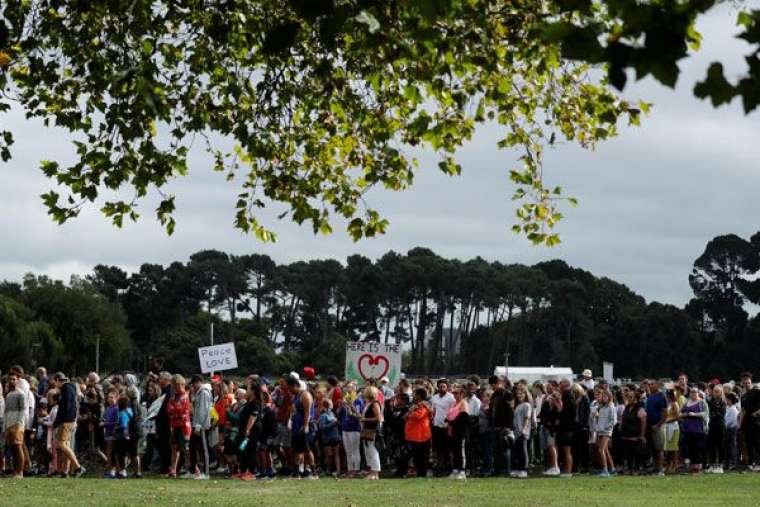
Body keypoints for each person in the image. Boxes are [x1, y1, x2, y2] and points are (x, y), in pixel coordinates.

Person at [50, 372, 85, 478]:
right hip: (69, 420)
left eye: (55, 383)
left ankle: (78, 467)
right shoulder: (70, 388)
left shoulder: (66, 388)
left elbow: (67, 407)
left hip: (66, 421)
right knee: (65, 445)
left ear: (57, 380)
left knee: (61, 444)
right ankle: (64, 471)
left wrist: (59, 421)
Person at [288, 375, 317, 479]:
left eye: (290, 388)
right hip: (296, 427)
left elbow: (307, 413)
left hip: (305, 427)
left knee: (307, 450)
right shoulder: (295, 396)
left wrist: (305, 427)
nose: (289, 390)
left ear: (296, 385)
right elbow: (294, 411)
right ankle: (296, 473)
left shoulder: (305, 395)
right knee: (297, 450)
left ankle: (314, 473)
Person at [4, 370, 29, 478]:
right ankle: (15, 471)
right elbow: (6, 412)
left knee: (18, 447)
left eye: (14, 379)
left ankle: (20, 472)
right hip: (9, 425)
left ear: (17, 380)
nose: (12, 381)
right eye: (10, 379)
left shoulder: (21, 394)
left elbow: (23, 410)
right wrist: (6, 427)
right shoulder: (9, 394)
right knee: (13, 449)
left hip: (17, 425)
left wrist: (18, 424)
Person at [166, 374, 192, 478]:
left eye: (176, 385)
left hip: (183, 425)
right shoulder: (173, 396)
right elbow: (168, 409)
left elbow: (182, 410)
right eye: (174, 385)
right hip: (174, 424)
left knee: (185, 448)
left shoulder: (185, 396)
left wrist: (174, 410)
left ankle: (191, 468)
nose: (175, 387)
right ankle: (173, 469)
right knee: (174, 447)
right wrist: (174, 410)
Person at [488, 375, 514, 477]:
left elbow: (510, 412)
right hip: (496, 426)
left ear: (497, 383)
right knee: (497, 451)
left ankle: (506, 471)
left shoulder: (507, 394)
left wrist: (508, 426)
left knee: (504, 450)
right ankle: (497, 471)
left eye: (493, 385)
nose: (492, 387)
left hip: (504, 426)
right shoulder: (495, 395)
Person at [404, 387, 432, 478]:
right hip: (415, 435)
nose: (413, 396)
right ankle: (419, 472)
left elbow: (418, 416)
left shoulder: (423, 405)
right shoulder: (416, 405)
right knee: (417, 455)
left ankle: (422, 473)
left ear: (419, 395)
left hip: (421, 435)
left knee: (422, 456)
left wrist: (410, 413)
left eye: (415, 394)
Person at [680, 386, 709, 474]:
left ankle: (698, 467)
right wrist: (684, 414)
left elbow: (706, 414)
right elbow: (681, 412)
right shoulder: (686, 402)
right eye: (692, 392)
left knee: (697, 448)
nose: (693, 394)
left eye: (695, 392)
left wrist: (695, 414)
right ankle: (692, 467)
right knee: (690, 448)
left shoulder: (702, 402)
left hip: (698, 429)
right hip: (687, 429)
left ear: (698, 393)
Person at [190, 375, 213, 480]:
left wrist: (198, 426)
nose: (193, 386)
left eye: (194, 383)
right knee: (192, 448)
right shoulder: (197, 393)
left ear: (199, 382)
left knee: (204, 449)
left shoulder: (204, 393)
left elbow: (203, 410)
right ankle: (192, 471)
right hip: (195, 424)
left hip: (201, 425)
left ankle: (206, 473)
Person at [430, 379, 455, 475]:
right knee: (438, 449)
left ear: (447, 387)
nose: (441, 388)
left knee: (447, 449)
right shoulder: (434, 397)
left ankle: (447, 468)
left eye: (443, 386)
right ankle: (440, 467)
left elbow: (452, 411)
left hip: (446, 427)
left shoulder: (451, 398)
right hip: (436, 426)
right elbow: (433, 410)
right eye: (440, 386)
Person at [339, 383, 364, 477]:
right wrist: (341, 406)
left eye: (350, 387)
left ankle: (356, 470)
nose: (348, 389)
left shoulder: (358, 400)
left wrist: (350, 408)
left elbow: (359, 416)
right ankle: (350, 470)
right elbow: (341, 414)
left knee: (355, 450)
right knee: (348, 451)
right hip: (345, 427)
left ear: (355, 389)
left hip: (354, 428)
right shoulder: (345, 399)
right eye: (347, 387)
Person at [446, 385, 469, 479]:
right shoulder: (453, 404)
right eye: (454, 393)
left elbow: (463, 417)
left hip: (460, 431)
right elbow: (448, 415)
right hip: (452, 430)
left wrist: (452, 422)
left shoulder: (464, 404)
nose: (454, 395)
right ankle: (455, 469)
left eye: (456, 393)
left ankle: (462, 471)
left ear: (462, 394)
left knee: (460, 451)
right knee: (454, 451)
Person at [592, 389, 617, 477]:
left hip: (606, 431)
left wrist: (605, 427)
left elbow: (613, 420)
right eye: (603, 396)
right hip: (600, 431)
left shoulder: (611, 406)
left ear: (610, 397)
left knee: (601, 450)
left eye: (606, 396)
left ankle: (605, 470)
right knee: (605, 450)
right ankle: (613, 469)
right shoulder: (601, 406)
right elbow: (598, 418)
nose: (604, 398)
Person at [644, 379, 667, 475]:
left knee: (659, 448)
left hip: (658, 425)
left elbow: (665, 412)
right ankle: (655, 467)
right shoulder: (650, 396)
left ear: (657, 385)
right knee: (653, 448)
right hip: (649, 425)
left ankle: (660, 469)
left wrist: (658, 424)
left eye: (652, 384)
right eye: (649, 384)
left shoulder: (661, 396)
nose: (650, 386)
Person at [361, 386, 383, 480]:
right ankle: (372, 472)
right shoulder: (369, 404)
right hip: (367, 429)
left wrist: (365, 419)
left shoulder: (375, 404)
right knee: (368, 451)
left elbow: (378, 418)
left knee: (373, 451)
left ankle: (375, 473)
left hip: (373, 430)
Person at [556, 379, 576, 477]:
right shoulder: (570, 396)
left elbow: (564, 411)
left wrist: (559, 405)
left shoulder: (567, 396)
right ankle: (567, 470)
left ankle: (568, 471)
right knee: (566, 450)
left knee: (567, 450)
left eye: (560, 384)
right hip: (568, 426)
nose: (559, 385)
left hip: (567, 427)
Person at [512, 385, 533, 478]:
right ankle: (517, 469)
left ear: (525, 394)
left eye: (521, 394)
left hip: (522, 431)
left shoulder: (527, 405)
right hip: (516, 432)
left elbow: (527, 418)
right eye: (518, 394)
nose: (519, 395)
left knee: (523, 451)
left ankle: (524, 469)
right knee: (517, 451)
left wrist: (524, 429)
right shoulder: (518, 405)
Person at [707, 384, 727, 474]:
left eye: (717, 391)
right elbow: (709, 413)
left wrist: (714, 413)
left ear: (721, 392)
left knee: (721, 446)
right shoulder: (709, 402)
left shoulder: (723, 402)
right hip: (711, 426)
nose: (715, 393)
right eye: (714, 391)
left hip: (720, 426)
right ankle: (712, 465)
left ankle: (720, 465)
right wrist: (714, 413)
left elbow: (720, 414)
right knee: (711, 446)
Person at [318, 399, 341, 477]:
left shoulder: (333, 414)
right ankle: (328, 470)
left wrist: (336, 424)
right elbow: (321, 427)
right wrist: (333, 424)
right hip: (327, 438)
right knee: (329, 455)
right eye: (330, 404)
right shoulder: (323, 415)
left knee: (336, 454)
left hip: (335, 437)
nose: (332, 405)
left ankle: (338, 471)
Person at [663, 389, 681, 474]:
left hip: (673, 427)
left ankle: (675, 466)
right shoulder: (668, 404)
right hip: (667, 427)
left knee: (673, 448)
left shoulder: (674, 404)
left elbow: (678, 417)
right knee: (668, 448)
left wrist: (667, 421)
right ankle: (668, 466)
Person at [725, 391, 740, 470]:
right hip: (728, 430)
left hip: (731, 430)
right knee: (727, 447)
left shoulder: (733, 410)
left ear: (730, 400)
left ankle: (733, 463)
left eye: (727, 399)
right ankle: (728, 463)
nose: (726, 401)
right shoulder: (728, 408)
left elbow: (729, 422)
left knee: (732, 447)